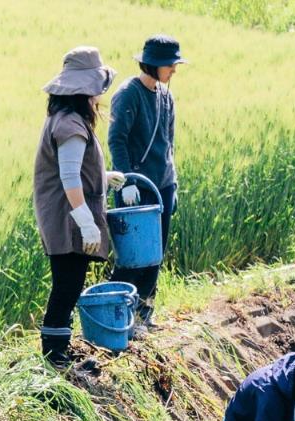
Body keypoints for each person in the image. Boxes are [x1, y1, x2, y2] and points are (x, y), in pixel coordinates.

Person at [33, 47, 129, 367]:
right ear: (85, 90)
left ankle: (60, 347)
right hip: (67, 217)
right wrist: (86, 221)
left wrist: (103, 176)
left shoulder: (64, 120)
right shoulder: (71, 125)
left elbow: (74, 170)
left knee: (70, 283)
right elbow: (70, 176)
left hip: (66, 214)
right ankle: (54, 356)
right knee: (66, 285)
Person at [108, 36, 184, 331]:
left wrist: (172, 184)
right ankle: (118, 317)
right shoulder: (128, 94)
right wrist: (125, 180)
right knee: (131, 256)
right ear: (153, 64)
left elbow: (169, 143)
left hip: (162, 187)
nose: (174, 70)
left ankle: (144, 316)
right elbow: (117, 140)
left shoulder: (166, 96)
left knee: (155, 254)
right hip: (136, 188)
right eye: (170, 64)